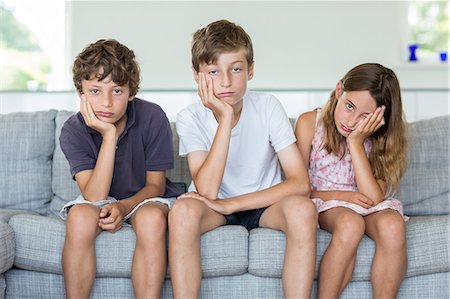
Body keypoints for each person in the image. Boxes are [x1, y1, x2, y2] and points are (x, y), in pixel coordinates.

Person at [169, 19, 317, 299]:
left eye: (235, 69)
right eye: (213, 71)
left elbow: (299, 183)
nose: (225, 82)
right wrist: (224, 118)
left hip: (264, 205)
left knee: (303, 209)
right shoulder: (190, 117)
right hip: (211, 205)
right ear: (197, 75)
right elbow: (207, 191)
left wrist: (233, 203)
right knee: (183, 211)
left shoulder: (268, 106)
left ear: (250, 70)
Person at [59, 39, 182, 299]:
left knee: (151, 219)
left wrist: (124, 207)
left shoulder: (152, 117)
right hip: (100, 196)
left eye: (117, 91)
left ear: (131, 92)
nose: (106, 102)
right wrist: (109, 135)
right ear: (80, 93)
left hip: (145, 198)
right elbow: (94, 197)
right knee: (80, 217)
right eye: (94, 91)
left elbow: (156, 186)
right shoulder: (72, 130)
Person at [295, 63, 409, 299]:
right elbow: (297, 189)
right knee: (350, 223)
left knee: (393, 226)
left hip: (367, 203)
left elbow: (373, 197)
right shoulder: (310, 124)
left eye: (365, 116)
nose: (352, 121)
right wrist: (342, 197)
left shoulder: (380, 139)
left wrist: (356, 143)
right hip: (326, 201)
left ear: (380, 118)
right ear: (339, 91)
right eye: (349, 106)